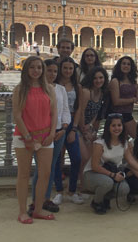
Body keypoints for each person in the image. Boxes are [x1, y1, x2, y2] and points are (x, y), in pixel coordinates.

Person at [12, 56, 57, 223]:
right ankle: (22, 211)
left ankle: (38, 209)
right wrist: (28, 137)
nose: (36, 70)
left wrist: (52, 133)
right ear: (26, 70)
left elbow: (54, 114)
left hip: (45, 136)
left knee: (45, 174)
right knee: (24, 174)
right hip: (24, 137)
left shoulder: (49, 89)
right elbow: (17, 115)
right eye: (32, 67)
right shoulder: (20, 89)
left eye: (39, 67)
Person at [83, 114, 138, 214]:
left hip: (111, 173)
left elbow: (131, 162)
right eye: (113, 125)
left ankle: (105, 198)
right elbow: (95, 166)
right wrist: (113, 175)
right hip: (92, 174)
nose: (117, 128)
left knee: (124, 189)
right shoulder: (99, 143)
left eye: (119, 125)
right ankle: (96, 202)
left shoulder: (124, 143)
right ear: (108, 127)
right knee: (107, 183)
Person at [29, 59, 71, 215]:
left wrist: (64, 128)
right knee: (41, 168)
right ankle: (35, 201)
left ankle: (45, 198)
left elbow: (65, 111)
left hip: (58, 131)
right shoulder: (36, 89)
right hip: (41, 133)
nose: (52, 74)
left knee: (51, 167)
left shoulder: (60, 89)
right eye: (49, 71)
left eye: (55, 71)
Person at [53, 56, 84, 205]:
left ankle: (72, 191)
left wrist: (74, 129)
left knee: (76, 158)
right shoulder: (54, 85)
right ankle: (59, 191)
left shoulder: (77, 86)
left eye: (71, 68)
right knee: (57, 159)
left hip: (71, 124)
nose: (68, 71)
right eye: (65, 68)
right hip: (57, 123)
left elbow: (78, 109)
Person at [78, 66, 109, 182]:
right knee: (84, 157)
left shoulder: (101, 93)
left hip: (88, 127)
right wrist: (84, 130)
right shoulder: (86, 92)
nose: (98, 80)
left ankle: (84, 183)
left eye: (101, 78)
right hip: (78, 127)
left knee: (91, 158)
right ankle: (80, 184)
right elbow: (81, 112)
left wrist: (91, 127)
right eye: (95, 78)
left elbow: (96, 112)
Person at [110, 56, 138, 138]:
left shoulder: (132, 81)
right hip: (118, 115)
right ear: (119, 65)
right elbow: (116, 101)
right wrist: (133, 100)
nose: (126, 66)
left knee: (125, 142)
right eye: (123, 63)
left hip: (128, 113)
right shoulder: (115, 81)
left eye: (128, 64)